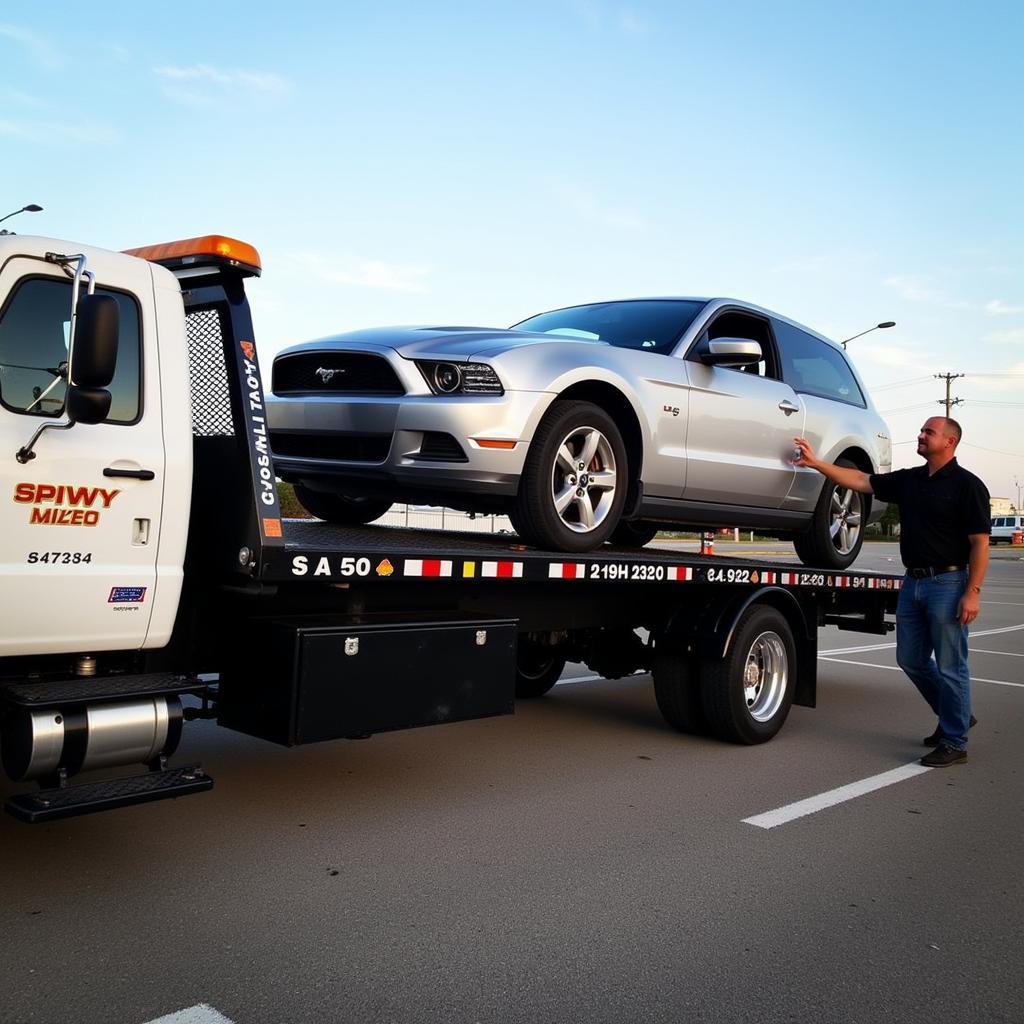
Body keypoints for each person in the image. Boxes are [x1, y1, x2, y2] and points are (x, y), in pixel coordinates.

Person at [792, 417, 990, 767]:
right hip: (912, 583)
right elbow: (860, 480)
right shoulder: (910, 480)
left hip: (949, 583)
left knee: (950, 666)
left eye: (929, 432)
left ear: (950, 442)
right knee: (910, 659)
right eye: (922, 430)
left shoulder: (968, 486)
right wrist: (817, 464)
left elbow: (980, 544)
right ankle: (954, 714)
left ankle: (955, 740)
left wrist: (972, 591)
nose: (921, 435)